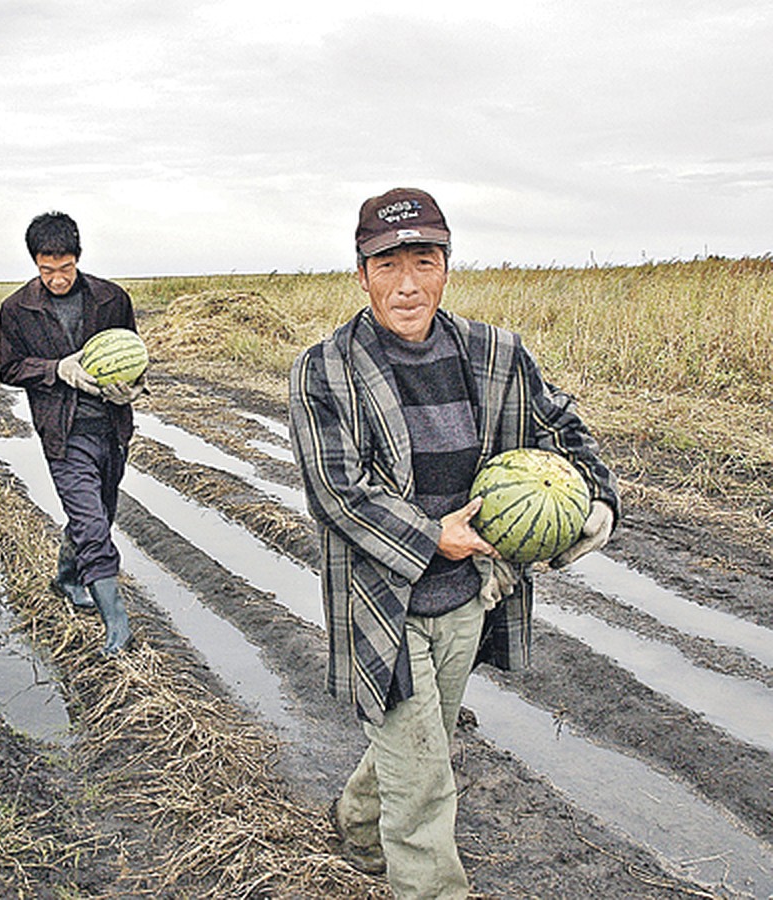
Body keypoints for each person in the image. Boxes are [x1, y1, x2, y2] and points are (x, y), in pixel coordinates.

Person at [288, 188, 618, 898]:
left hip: (469, 597)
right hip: (384, 602)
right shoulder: (326, 369)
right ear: (361, 273)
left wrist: (596, 500)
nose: (407, 284)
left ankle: (353, 823)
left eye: (424, 261)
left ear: (446, 266)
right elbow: (335, 491)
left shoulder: (496, 353)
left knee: (422, 739)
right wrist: (434, 534)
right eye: (387, 265)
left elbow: (563, 429)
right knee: (427, 781)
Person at [0, 211, 143, 656]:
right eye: (47, 270)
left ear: (77, 259)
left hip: (111, 428)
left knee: (99, 510)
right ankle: (116, 621)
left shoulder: (111, 298)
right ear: (35, 264)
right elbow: (9, 368)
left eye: (64, 268)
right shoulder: (17, 309)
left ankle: (65, 576)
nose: (57, 279)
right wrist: (57, 369)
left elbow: (135, 354)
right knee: (91, 523)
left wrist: (131, 389)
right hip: (63, 432)